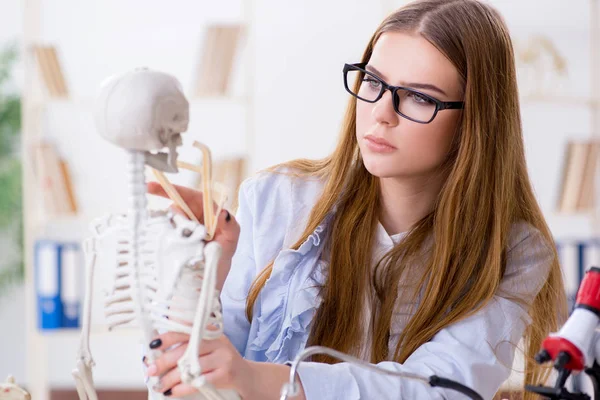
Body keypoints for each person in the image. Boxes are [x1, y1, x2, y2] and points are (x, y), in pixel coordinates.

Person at [144, 0, 567, 398]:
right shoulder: (278, 198)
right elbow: (196, 380)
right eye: (374, 81)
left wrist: (262, 380)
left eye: (420, 97)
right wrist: (201, 276)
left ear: (475, 120)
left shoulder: (512, 251)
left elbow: (440, 390)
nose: (382, 112)